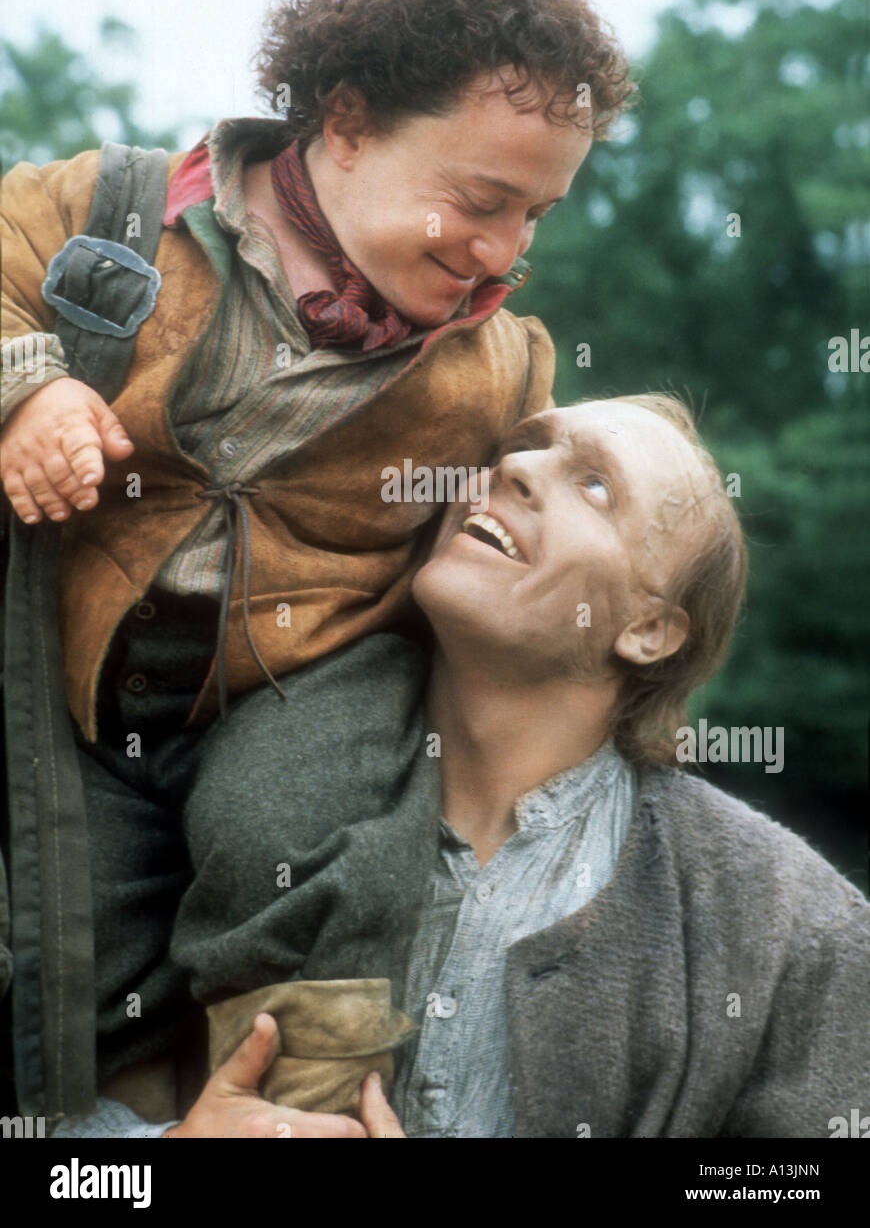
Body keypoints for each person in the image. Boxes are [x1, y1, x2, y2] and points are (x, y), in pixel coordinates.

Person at [0, 0, 636, 1114]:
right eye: (483, 199)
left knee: (316, 841)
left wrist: (632, 660)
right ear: (345, 123)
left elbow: (564, 520)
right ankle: (109, 1134)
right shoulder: (116, 211)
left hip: (300, 672)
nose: (503, 250)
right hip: (67, 662)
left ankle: (309, 1103)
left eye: (535, 215)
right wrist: (29, 387)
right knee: (58, 926)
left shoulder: (501, 363)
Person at [52, 396, 870, 1138]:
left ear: (650, 629)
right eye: (525, 444)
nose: (512, 466)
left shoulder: (793, 931)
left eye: (594, 487)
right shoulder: (200, 782)